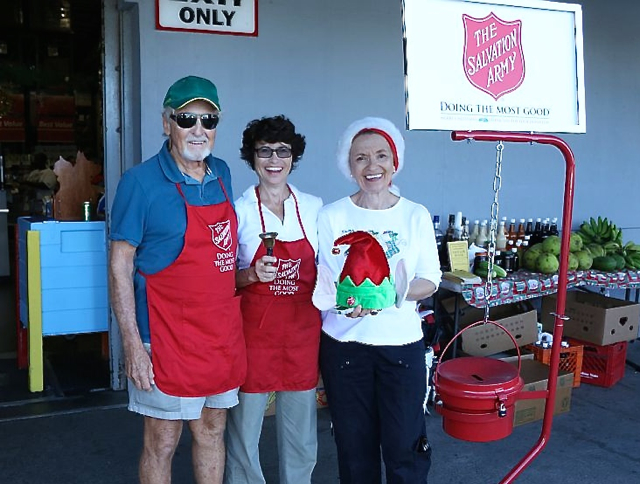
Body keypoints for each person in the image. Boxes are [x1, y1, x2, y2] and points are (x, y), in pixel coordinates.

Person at [108, 75, 246, 484]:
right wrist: (132, 344)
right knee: (162, 440)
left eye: (209, 120)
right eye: (187, 118)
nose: (198, 130)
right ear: (167, 122)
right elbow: (120, 265)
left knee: (212, 431)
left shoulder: (222, 173)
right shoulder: (140, 182)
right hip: (163, 338)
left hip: (218, 335)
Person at [317, 117, 442, 484]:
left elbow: (430, 280)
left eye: (381, 156)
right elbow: (327, 279)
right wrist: (341, 303)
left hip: (400, 348)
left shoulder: (414, 214)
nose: (372, 166)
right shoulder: (332, 215)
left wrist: (394, 295)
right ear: (349, 165)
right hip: (345, 346)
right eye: (361, 158)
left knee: (405, 446)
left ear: (395, 162)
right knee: (355, 449)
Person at [224, 115, 323, 484]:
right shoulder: (237, 210)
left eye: (282, 151)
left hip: (301, 333)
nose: (274, 159)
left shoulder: (314, 207)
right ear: (252, 157)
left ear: (293, 156)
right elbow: (221, 277)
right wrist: (250, 274)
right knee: (244, 432)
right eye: (264, 151)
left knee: (301, 433)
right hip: (254, 335)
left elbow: (327, 269)